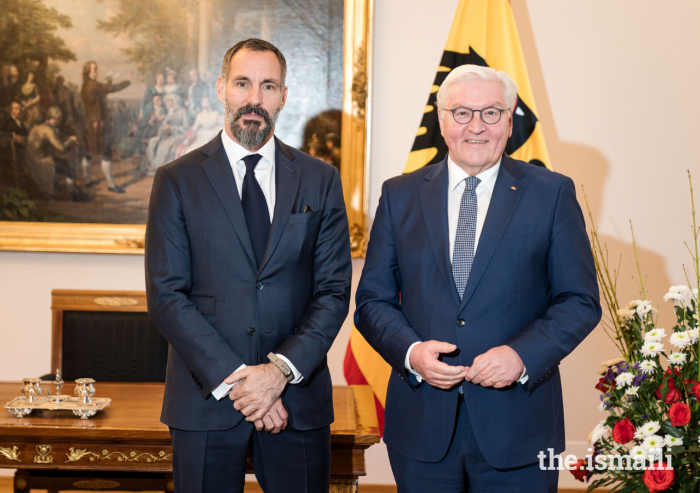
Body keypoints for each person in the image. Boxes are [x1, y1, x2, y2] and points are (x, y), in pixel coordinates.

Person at [354, 64, 601, 493]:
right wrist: (411, 353)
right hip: (421, 425)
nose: (476, 127)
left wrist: (521, 356)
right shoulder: (399, 195)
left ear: (510, 118)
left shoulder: (552, 193)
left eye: (490, 113)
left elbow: (579, 300)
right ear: (442, 118)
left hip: (519, 427)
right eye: (462, 113)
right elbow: (372, 301)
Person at [145, 38, 351, 493]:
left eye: (268, 86)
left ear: (283, 96)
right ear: (221, 88)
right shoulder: (176, 180)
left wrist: (277, 374)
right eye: (243, 83)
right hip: (205, 402)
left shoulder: (321, 179)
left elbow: (333, 292)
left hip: (296, 400)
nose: (254, 99)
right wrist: (244, 385)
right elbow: (166, 296)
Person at [80, 60, 132, 193]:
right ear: (89, 71)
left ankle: (86, 180)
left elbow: (103, 91)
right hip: (98, 124)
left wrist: (108, 82)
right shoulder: (93, 84)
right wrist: (127, 81)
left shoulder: (86, 84)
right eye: (94, 69)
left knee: (87, 153)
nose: (97, 71)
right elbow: (110, 89)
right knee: (106, 152)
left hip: (89, 123)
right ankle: (111, 184)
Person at [24, 106, 90, 202]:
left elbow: (54, 143)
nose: (60, 120)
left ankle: (73, 192)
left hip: (31, 159)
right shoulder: (48, 130)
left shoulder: (40, 126)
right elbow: (61, 148)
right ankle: (75, 195)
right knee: (69, 169)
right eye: (60, 118)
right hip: (39, 162)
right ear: (56, 118)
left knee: (63, 164)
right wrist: (71, 139)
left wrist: (66, 140)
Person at [143, 93, 189, 175]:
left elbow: (185, 128)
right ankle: (153, 165)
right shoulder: (170, 112)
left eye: (170, 101)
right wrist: (160, 134)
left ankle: (158, 168)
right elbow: (163, 125)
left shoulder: (182, 111)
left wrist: (171, 128)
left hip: (178, 135)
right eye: (167, 102)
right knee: (152, 142)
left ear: (175, 101)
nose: (168, 103)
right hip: (167, 135)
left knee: (163, 146)